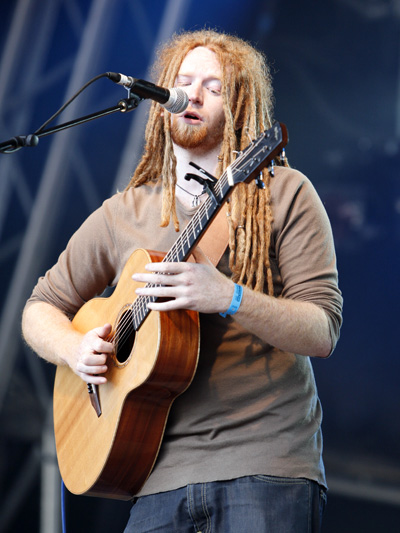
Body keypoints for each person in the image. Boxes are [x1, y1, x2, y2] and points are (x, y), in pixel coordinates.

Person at [22, 29, 343, 532]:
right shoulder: (124, 213)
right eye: (183, 82)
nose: (192, 95)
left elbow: (322, 330)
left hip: (265, 467)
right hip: (153, 478)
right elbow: (40, 306)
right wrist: (73, 347)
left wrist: (229, 296)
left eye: (213, 87)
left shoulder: (283, 194)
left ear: (239, 106)